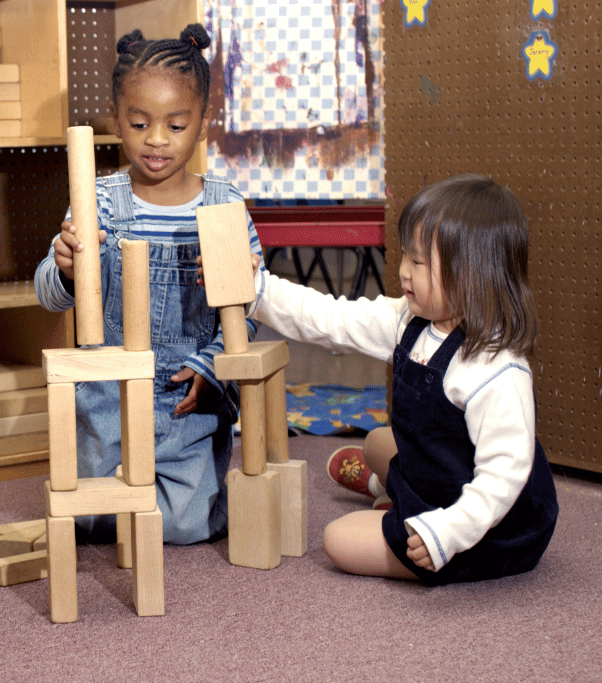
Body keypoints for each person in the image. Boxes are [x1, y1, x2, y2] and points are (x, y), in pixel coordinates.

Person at [211, 174, 558, 584]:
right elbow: (331, 318)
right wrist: (258, 288)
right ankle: (388, 488)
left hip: (487, 527)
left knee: (338, 540)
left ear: (472, 274)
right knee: (377, 441)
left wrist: (445, 534)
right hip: (443, 477)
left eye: (418, 262)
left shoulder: (498, 369)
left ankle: (401, 506)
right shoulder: (409, 319)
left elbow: (504, 478)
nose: (403, 271)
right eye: (405, 257)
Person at [35, 24, 264, 544]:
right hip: (109, 394)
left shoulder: (223, 203)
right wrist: (66, 266)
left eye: (176, 125)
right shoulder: (95, 198)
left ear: (203, 124)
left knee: (187, 525)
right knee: (91, 518)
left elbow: (249, 307)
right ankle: (129, 506)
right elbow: (47, 294)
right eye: (139, 123)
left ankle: (171, 498)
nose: (156, 140)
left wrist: (211, 366)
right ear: (118, 121)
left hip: (188, 396)